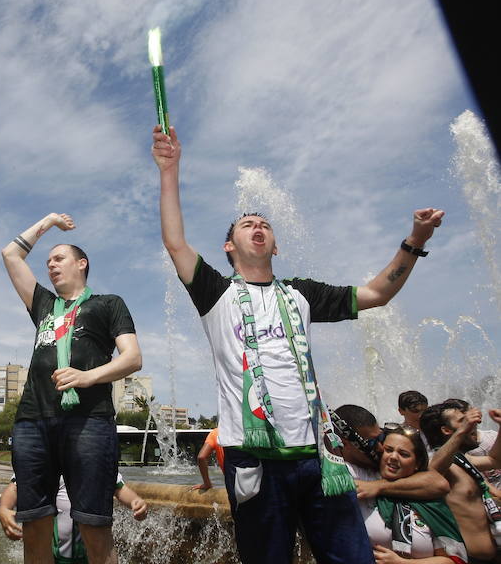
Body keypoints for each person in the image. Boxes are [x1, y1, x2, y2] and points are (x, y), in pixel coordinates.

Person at [152, 123, 445, 564]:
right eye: (248, 224)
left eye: (265, 225)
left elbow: (376, 294)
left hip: (320, 459)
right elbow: (175, 243)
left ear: (275, 244)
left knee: (352, 558)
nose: (258, 227)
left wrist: (415, 242)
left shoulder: (301, 293)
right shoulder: (216, 293)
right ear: (229, 246)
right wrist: (170, 169)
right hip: (254, 459)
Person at [2, 213, 142, 564]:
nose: (50, 265)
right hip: (33, 421)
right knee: (35, 527)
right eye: (47, 261)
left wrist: (86, 377)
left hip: (89, 422)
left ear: (82, 264)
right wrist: (48, 222)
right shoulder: (44, 305)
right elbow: (10, 255)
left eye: (58, 258)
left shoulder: (108, 304)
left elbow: (133, 358)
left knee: (95, 528)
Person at [363, 425, 467, 564]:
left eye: (404, 454)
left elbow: (451, 561)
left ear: (417, 463)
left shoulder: (430, 501)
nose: (393, 457)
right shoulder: (363, 484)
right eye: (388, 450)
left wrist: (402, 563)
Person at [0, 473, 148, 564]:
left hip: (88, 553)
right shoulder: (44, 460)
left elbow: (120, 487)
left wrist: (135, 501)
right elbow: (15, 486)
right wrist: (4, 508)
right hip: (52, 552)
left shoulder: (94, 462)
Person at [332, 404, 448, 520]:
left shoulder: (383, 465)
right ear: (345, 444)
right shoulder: (340, 473)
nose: (380, 448)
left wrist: (377, 486)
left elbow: (438, 483)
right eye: (372, 443)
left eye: (381, 438)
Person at [422, 400, 501, 561]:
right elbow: (433, 473)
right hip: (470, 559)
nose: (473, 425)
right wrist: (464, 428)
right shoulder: (435, 463)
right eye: (462, 421)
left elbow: (495, 460)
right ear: (446, 430)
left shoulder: (462, 459)